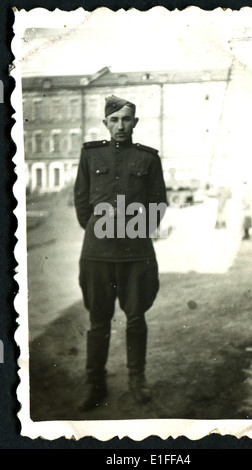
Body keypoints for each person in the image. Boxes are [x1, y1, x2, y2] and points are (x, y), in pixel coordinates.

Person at [74, 95, 167, 411]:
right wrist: (103, 231)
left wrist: (131, 231)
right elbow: (82, 202)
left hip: (135, 253)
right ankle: (94, 384)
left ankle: (136, 380)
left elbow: (158, 204)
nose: (120, 126)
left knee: (136, 318)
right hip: (97, 254)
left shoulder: (149, 159)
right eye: (114, 120)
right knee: (98, 320)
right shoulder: (90, 154)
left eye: (126, 119)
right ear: (105, 123)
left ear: (135, 123)